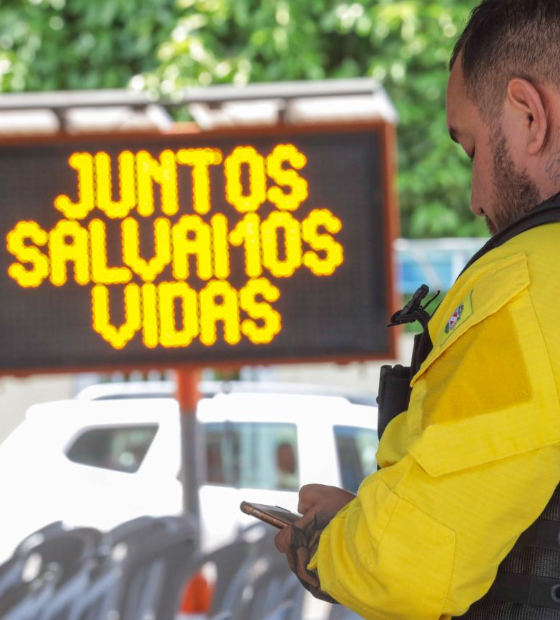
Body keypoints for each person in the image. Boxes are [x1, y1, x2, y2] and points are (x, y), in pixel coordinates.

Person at [275, 1, 560, 618]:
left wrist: (326, 547)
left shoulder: (533, 281)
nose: (475, 198)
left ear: (531, 116)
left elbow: (410, 565)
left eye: (473, 149)